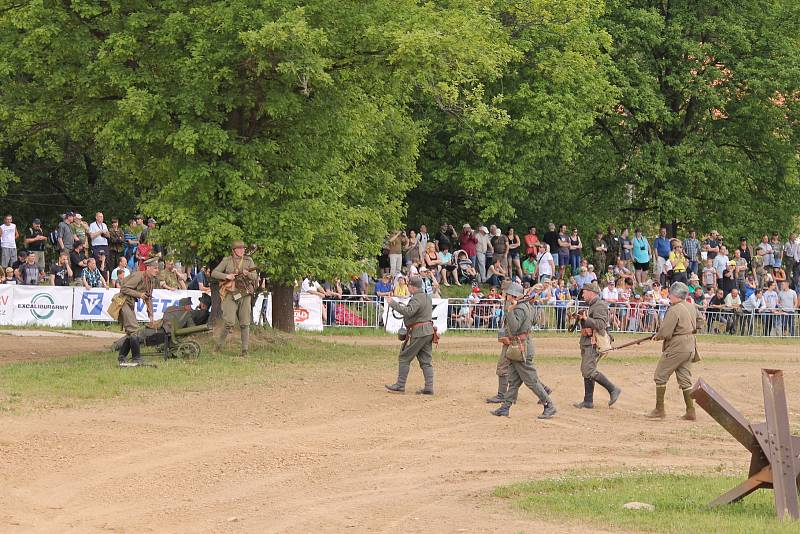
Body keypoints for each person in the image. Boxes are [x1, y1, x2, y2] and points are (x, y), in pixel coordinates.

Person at [489, 282, 556, 419]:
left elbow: (513, 328)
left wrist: (509, 311)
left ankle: (549, 405)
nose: (505, 297)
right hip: (522, 346)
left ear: (512, 295)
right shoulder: (528, 305)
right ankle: (505, 407)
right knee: (513, 380)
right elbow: (535, 321)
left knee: (531, 380)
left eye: (507, 294)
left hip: (521, 348)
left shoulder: (518, 308)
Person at [646, 282, 703, 420]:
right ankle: (690, 411)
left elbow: (665, 331)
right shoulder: (691, 306)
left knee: (660, 375)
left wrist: (657, 336)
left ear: (675, 295)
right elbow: (701, 321)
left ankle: (660, 409)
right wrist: (690, 330)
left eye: (670, 294)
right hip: (690, 345)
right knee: (685, 380)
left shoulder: (674, 309)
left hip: (677, 346)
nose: (669, 296)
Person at [572, 282, 622, 409]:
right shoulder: (593, 305)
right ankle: (588, 401)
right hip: (588, 341)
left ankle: (613, 389)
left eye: (584, 292)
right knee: (587, 370)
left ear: (591, 293)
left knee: (588, 370)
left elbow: (600, 325)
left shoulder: (599, 305)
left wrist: (585, 319)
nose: (582, 294)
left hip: (593, 343)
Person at [385, 276, 436, 395]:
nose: (408, 288)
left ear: (412, 287)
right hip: (428, 331)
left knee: (404, 357)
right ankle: (429, 387)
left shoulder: (416, 299)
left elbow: (409, 311)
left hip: (419, 332)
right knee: (425, 361)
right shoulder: (427, 297)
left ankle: (400, 385)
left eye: (409, 286)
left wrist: (393, 303)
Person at [211, 240, 258, 357]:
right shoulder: (226, 260)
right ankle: (218, 347)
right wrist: (227, 276)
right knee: (229, 322)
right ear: (234, 250)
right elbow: (214, 273)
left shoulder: (248, 260)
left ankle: (245, 351)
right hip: (231, 293)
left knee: (245, 323)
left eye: (243, 248)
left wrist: (248, 274)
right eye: (239, 248)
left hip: (245, 294)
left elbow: (255, 276)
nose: (242, 250)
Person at [117, 257, 159, 365]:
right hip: (123, 302)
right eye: (155, 268)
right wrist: (140, 295)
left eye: (157, 268)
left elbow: (148, 298)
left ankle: (122, 356)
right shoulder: (138, 275)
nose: (157, 270)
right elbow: (124, 289)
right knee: (134, 330)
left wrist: (151, 316)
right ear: (148, 268)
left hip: (129, 304)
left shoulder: (151, 281)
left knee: (131, 332)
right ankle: (136, 358)